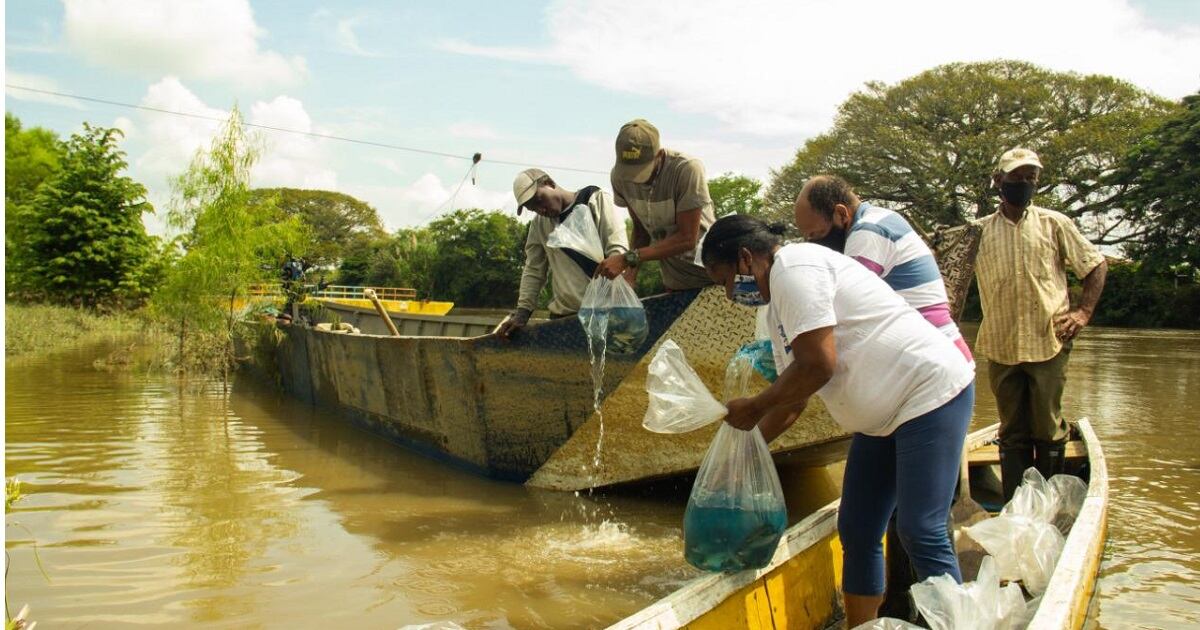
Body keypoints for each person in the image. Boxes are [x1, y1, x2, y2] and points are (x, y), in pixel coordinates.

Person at [702, 214, 976, 627]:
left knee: (921, 528)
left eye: (724, 280)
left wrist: (754, 406)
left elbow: (818, 366)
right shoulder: (777, 308)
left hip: (928, 396)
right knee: (858, 528)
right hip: (880, 421)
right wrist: (740, 452)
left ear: (745, 258)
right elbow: (792, 402)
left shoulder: (795, 269)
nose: (728, 294)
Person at [976, 148, 1107, 500]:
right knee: (1011, 430)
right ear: (998, 181)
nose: (1024, 183)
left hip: (1048, 338)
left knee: (1048, 427)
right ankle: (1017, 504)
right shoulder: (978, 232)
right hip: (1001, 342)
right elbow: (946, 273)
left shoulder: (1054, 223)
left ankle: (1047, 504)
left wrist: (1083, 313)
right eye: (1016, 177)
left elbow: (1095, 264)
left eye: (1030, 177)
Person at [793, 175, 972, 363]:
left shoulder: (868, 231)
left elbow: (845, 307)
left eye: (817, 234)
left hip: (934, 354)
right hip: (938, 350)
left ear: (841, 214)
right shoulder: (881, 217)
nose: (814, 243)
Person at [498, 168, 629, 338]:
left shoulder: (594, 199)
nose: (541, 210)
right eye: (533, 209)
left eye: (539, 200)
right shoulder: (540, 225)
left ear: (549, 183)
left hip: (605, 315)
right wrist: (522, 314)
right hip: (564, 319)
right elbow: (533, 270)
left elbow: (618, 251)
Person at [596, 119, 715, 291]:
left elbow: (688, 238)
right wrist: (630, 276)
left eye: (642, 171)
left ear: (659, 155)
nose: (636, 179)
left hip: (712, 275)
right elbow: (641, 231)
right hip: (675, 281)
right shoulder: (619, 178)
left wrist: (627, 258)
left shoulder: (686, 170)